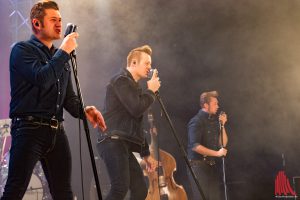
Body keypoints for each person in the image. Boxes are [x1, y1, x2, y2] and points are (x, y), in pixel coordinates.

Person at [1, 1, 106, 199]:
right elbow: (42, 78)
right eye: (53, 20)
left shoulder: (60, 57)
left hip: (56, 132)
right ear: (37, 24)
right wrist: (64, 52)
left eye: (60, 19)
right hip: (28, 130)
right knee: (15, 191)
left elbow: (68, 98)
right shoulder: (22, 50)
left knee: (63, 192)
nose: (59, 24)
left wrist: (84, 110)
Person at [97, 45, 160, 200]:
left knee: (139, 190)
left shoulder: (133, 87)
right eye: (146, 63)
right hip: (112, 140)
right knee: (120, 188)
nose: (150, 67)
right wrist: (151, 91)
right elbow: (136, 108)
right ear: (133, 63)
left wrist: (145, 153)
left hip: (122, 142)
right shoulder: (120, 80)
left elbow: (136, 122)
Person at [187, 91, 228, 200]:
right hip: (198, 167)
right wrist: (217, 153)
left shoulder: (213, 121)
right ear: (206, 105)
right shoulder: (196, 121)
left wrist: (222, 125)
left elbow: (222, 143)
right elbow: (195, 146)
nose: (218, 106)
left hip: (211, 166)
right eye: (215, 104)